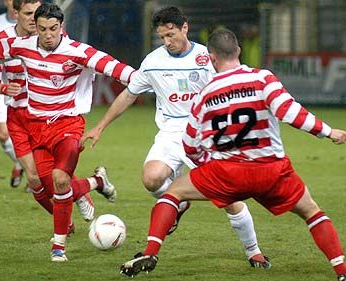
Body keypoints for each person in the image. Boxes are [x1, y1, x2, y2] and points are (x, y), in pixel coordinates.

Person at [119, 28, 346, 281]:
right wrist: (328, 132)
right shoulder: (263, 78)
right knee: (312, 212)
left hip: (226, 174)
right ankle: (343, 271)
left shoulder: (204, 95)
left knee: (173, 192)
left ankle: (151, 252)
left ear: (212, 58)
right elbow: (290, 112)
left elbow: (189, 145)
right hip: (271, 171)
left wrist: (206, 168)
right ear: (238, 51)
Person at [0, 3, 135, 262]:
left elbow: (114, 67)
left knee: (60, 179)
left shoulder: (77, 51)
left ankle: (59, 247)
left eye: (52, 28)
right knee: (43, 183)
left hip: (68, 124)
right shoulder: (19, 45)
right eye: (41, 27)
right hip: (34, 125)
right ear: (20, 16)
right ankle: (95, 183)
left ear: (60, 27)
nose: (46, 33)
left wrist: (143, 79)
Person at [84, 6, 270, 268]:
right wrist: (101, 125)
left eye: (171, 34)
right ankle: (179, 203)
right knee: (151, 179)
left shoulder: (208, 58)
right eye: (162, 37)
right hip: (171, 132)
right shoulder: (153, 62)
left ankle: (254, 252)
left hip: (206, 133)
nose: (167, 41)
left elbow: (234, 84)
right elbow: (129, 94)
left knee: (229, 198)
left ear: (185, 28)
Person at [0, 0, 115, 233]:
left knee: (53, 178)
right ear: (16, 13)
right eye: (29, 13)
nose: (34, 19)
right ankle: (89, 189)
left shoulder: (53, 37)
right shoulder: (4, 40)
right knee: (33, 179)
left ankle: (68, 218)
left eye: (37, 13)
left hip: (50, 117)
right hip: (19, 116)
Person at [0, 0, 22, 188]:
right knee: (2, 134)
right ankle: (20, 162)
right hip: (2, 86)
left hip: (25, 86)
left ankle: (33, 172)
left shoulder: (32, 23)